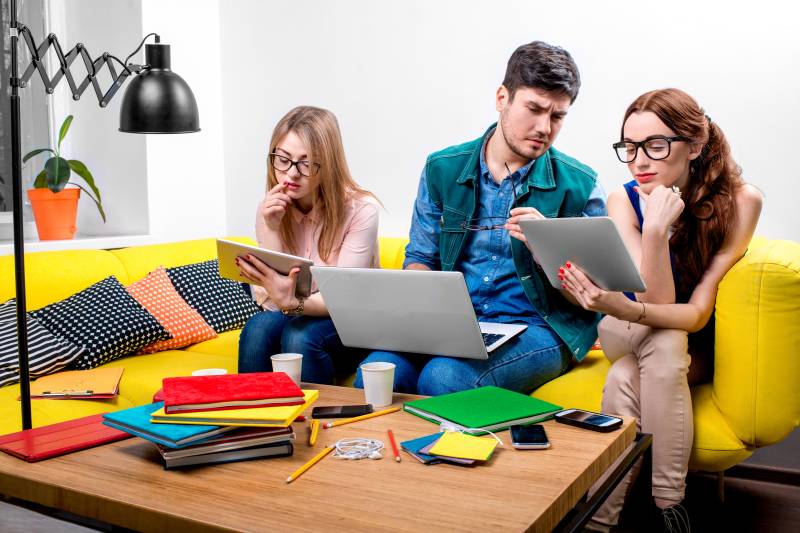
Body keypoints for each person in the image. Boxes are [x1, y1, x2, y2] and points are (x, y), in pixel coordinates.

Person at [560, 89, 763, 533]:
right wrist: (653, 230)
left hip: (680, 337)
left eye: (655, 145)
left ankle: (600, 518)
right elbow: (656, 304)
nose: (638, 162)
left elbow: (693, 316)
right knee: (662, 339)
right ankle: (671, 507)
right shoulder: (621, 200)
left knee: (628, 374)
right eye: (629, 148)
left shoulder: (742, 201)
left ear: (694, 145)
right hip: (621, 328)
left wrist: (656, 231)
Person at [354, 41, 607, 396]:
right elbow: (421, 259)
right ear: (502, 98)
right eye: (533, 108)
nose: (544, 127)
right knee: (376, 373)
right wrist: (428, 312)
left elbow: (594, 297)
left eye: (557, 116)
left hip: (542, 327)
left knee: (444, 377)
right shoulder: (442, 169)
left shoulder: (581, 186)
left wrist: (548, 250)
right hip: (458, 323)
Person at [237, 106, 381, 384]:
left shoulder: (361, 211)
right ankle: (251, 422)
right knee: (258, 328)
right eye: (283, 159)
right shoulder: (271, 209)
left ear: (328, 164)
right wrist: (271, 227)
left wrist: (292, 302)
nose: (291, 174)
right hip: (293, 314)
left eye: (306, 163)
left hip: (352, 324)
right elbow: (272, 302)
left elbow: (344, 301)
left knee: (299, 336)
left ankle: (318, 424)